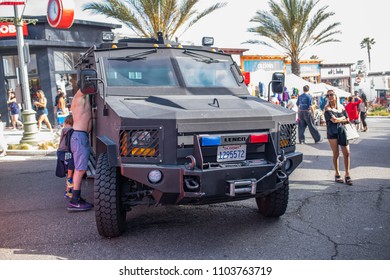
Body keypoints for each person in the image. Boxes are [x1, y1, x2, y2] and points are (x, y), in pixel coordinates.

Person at [67, 89, 93, 211]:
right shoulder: (79, 96)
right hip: (79, 136)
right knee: (80, 170)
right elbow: (85, 88)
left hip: (81, 136)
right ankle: (75, 201)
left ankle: (77, 199)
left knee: (80, 169)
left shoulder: (85, 97)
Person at [324, 90, 353, 185]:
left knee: (347, 153)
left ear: (336, 96)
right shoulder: (327, 108)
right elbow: (334, 120)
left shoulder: (341, 107)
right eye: (328, 95)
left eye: (331, 94)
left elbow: (348, 119)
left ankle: (347, 174)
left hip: (342, 131)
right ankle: (337, 173)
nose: (330, 96)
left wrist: (339, 119)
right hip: (332, 133)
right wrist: (342, 119)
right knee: (336, 153)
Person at [57, 114, 74, 199]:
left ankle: (68, 192)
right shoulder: (67, 129)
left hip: (63, 151)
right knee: (71, 163)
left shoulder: (66, 129)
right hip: (64, 152)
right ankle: (70, 180)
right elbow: (69, 130)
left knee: (70, 168)